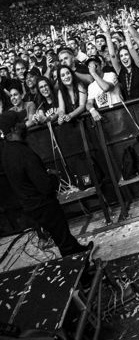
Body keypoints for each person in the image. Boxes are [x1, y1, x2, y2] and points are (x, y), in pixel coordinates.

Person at [0, 110, 93, 257]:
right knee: (62, 238)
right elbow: (45, 186)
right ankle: (82, 271)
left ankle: (79, 250)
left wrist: (42, 172)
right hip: (43, 204)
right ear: (13, 129)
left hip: (30, 204)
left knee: (61, 234)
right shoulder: (24, 153)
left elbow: (23, 176)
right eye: (21, 122)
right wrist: (52, 176)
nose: (24, 124)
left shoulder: (6, 151)